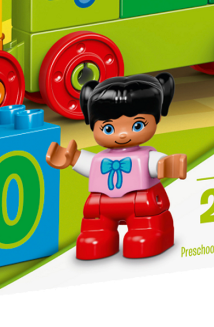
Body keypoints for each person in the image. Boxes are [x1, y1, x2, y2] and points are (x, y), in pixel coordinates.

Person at [46, 72, 187, 260]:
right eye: (108, 128)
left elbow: (157, 163)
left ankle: (149, 232)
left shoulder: (146, 156)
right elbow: (88, 164)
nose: (122, 134)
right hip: (101, 204)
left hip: (141, 203)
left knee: (145, 226)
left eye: (137, 125)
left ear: (157, 119)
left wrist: (168, 164)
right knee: (94, 224)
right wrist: (71, 158)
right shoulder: (100, 159)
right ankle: (98, 234)